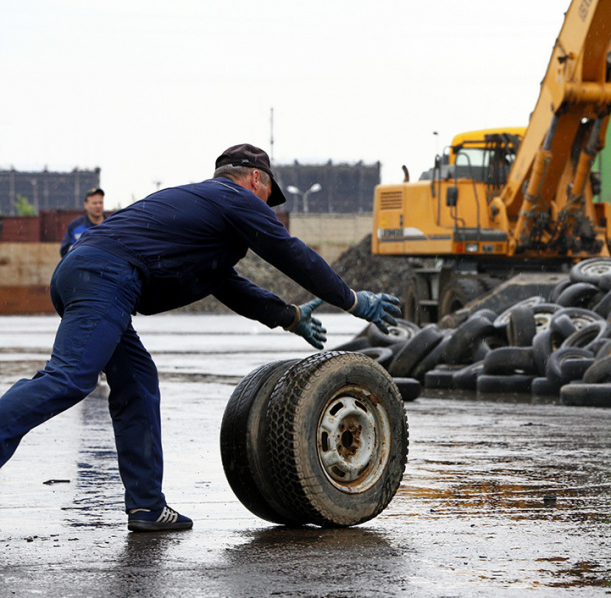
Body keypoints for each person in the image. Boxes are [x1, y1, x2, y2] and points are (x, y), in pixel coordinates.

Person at [0, 143, 401, 533]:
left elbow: (226, 285)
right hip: (105, 277)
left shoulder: (203, 215)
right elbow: (291, 253)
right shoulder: (234, 199)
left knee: (137, 384)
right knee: (69, 378)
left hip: (87, 272)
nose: (268, 206)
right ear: (255, 179)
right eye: (268, 197)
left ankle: (147, 507)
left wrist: (289, 316)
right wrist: (351, 300)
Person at [59, 187, 107, 257]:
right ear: (86, 205)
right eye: (94, 203)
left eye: (100, 202)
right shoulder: (75, 226)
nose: (98, 206)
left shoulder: (111, 225)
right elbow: (64, 251)